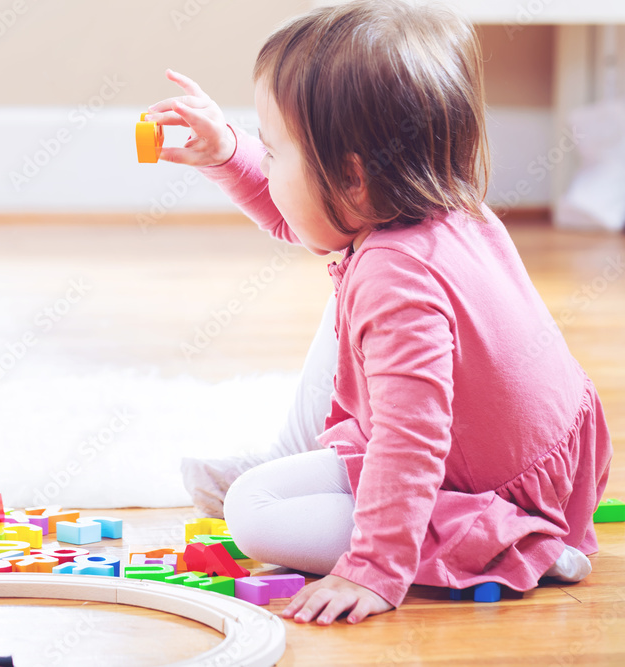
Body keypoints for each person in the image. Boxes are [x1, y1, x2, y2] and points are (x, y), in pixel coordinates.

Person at [144, 0, 613, 625]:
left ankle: (510, 539)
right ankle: (291, 457)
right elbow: (310, 220)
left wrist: (374, 566)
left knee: (253, 512)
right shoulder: (440, 206)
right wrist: (229, 154)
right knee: (345, 294)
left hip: (491, 484)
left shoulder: (396, 278)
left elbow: (412, 439)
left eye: (274, 152)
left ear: (353, 179)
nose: (266, 162)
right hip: (536, 445)